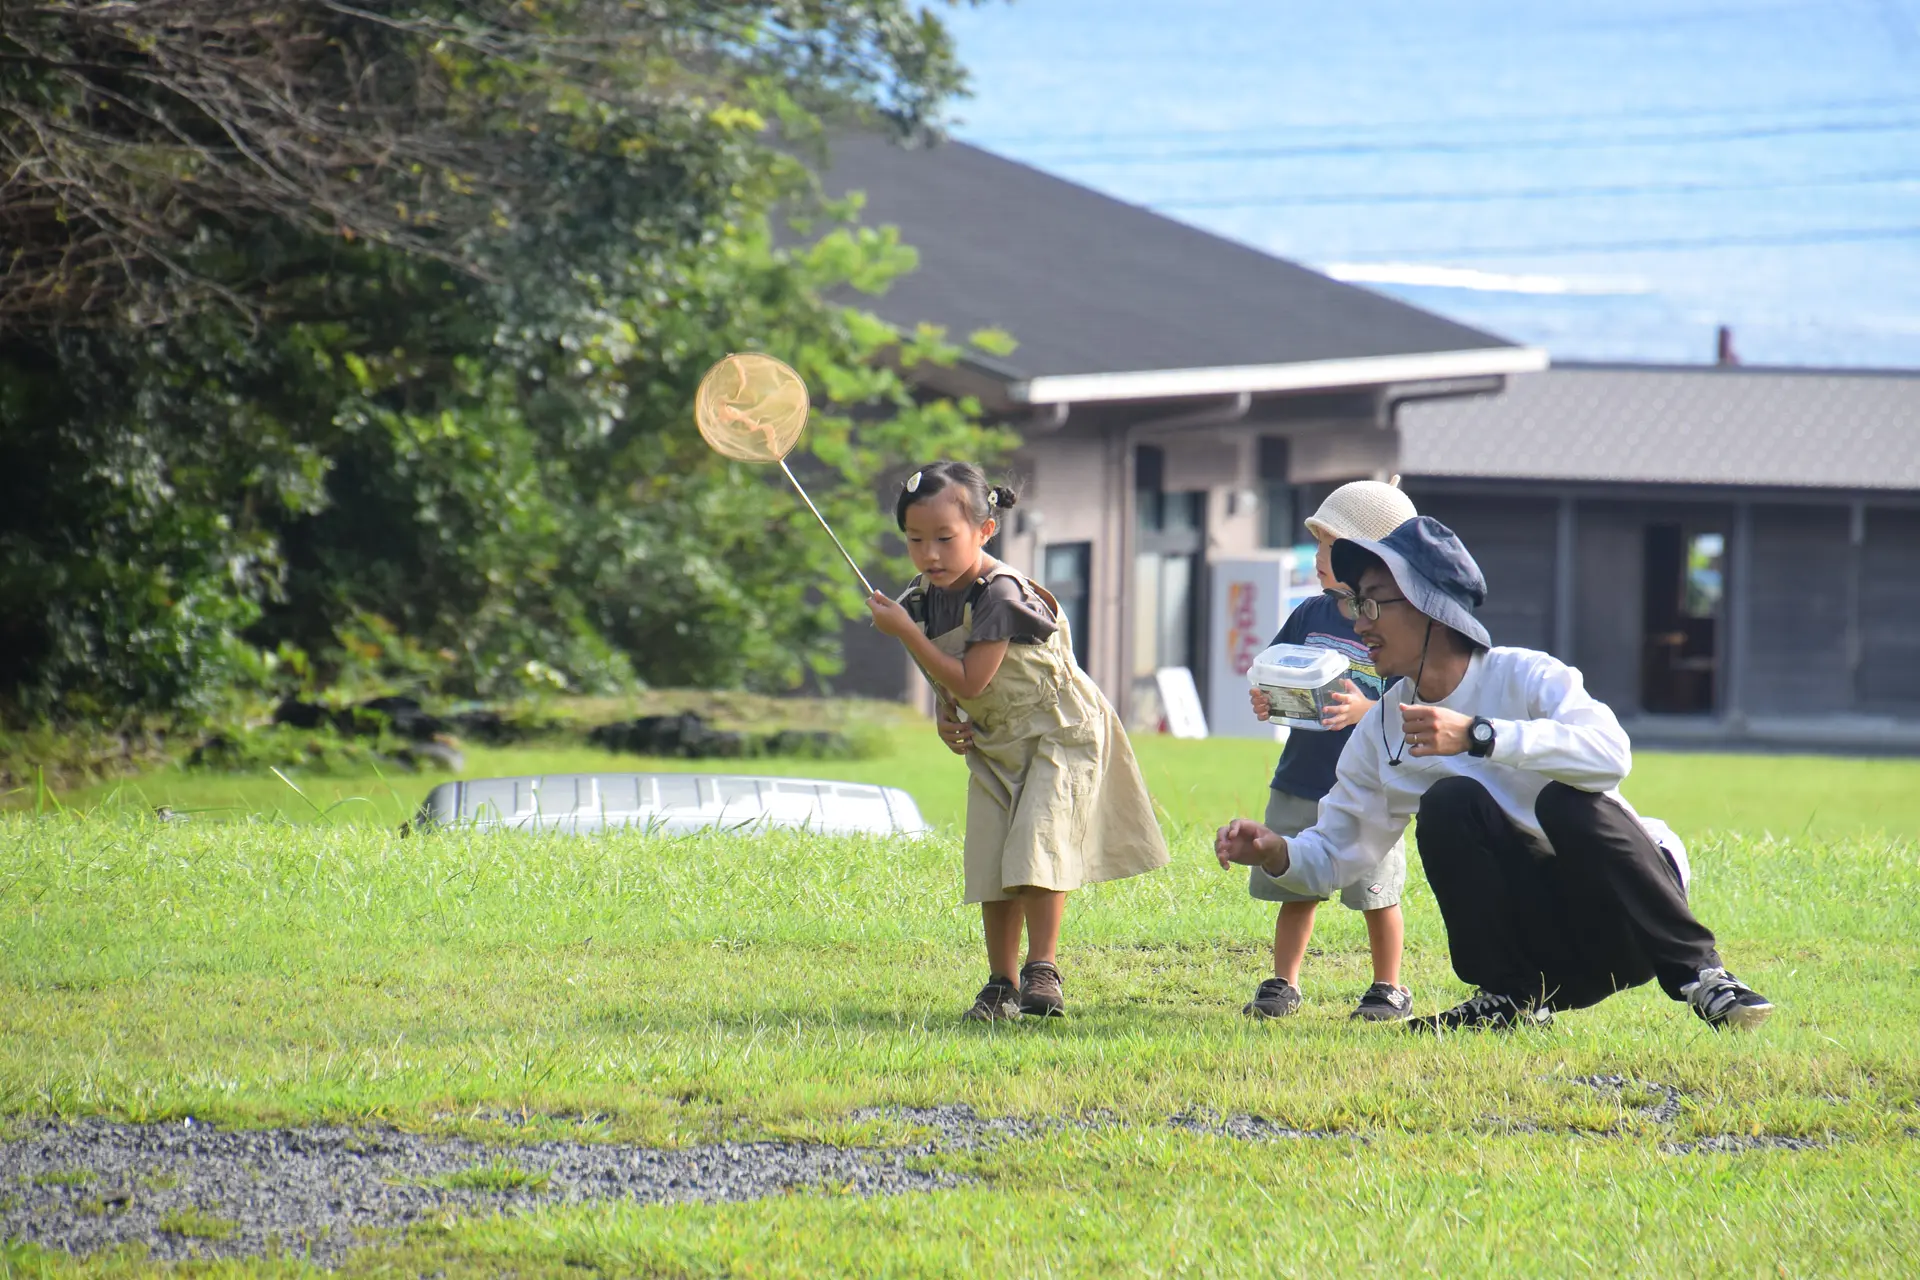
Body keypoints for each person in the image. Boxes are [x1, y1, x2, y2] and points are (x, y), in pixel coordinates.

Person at [1214, 516, 1774, 1033]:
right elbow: (1338, 851)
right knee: (1450, 801)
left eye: (1374, 604)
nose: (1360, 622)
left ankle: (1704, 977)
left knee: (1564, 800)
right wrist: (1275, 852)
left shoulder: (1525, 675)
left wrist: (1482, 735)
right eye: (1357, 603)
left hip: (1629, 919)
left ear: (1430, 607)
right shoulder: (1384, 728)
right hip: (1552, 949)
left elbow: (1610, 755)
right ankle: (1509, 996)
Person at [867, 461, 1170, 1022]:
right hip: (993, 741)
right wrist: (943, 710)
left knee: (1038, 850)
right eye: (914, 540)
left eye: (944, 538)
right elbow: (950, 678)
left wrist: (909, 637)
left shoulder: (999, 593)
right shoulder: (923, 598)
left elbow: (972, 677)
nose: (929, 554)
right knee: (991, 863)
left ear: (985, 530)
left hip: (1058, 733)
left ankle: (1042, 970)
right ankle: (1000, 982)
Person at [1243, 479, 1419, 1023]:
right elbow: (1276, 666)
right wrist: (1268, 698)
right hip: (1302, 774)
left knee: (1376, 890)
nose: (1318, 560)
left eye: (1328, 549)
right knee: (1294, 877)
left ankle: (1388, 986)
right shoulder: (1310, 614)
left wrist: (1366, 712)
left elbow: (1413, 695)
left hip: (1367, 787)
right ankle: (1283, 982)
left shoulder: (1402, 621)